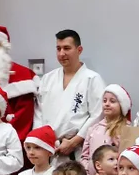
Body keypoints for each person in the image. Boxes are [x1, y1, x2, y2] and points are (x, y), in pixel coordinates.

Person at [34, 30, 105, 160]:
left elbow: (98, 115)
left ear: (79, 50)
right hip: (49, 148)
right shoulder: (47, 79)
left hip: (76, 149)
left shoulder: (92, 79)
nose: (62, 53)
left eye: (67, 48)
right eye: (58, 48)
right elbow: (38, 112)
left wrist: (75, 141)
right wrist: (40, 141)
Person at [81, 84, 131, 175]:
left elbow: (129, 158)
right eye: (104, 101)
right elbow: (84, 156)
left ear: (122, 105)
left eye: (112, 101)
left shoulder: (127, 129)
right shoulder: (94, 128)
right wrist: (88, 172)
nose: (107, 104)